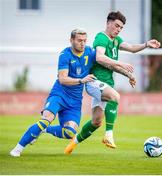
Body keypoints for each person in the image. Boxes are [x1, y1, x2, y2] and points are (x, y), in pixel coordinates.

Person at [10, 28, 135, 157]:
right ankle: (17, 149)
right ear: (71, 40)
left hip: (74, 101)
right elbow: (62, 79)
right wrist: (81, 80)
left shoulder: (89, 52)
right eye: (79, 40)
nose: (83, 43)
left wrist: (128, 75)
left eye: (85, 41)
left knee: (69, 133)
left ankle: (43, 130)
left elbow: (108, 64)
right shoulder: (65, 55)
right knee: (46, 119)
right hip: (59, 94)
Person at [64, 11, 161, 154]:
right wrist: (121, 64)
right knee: (115, 96)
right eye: (116, 26)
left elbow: (131, 49)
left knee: (96, 122)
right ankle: (109, 135)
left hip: (106, 84)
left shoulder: (116, 41)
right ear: (108, 23)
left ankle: (72, 144)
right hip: (94, 82)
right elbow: (100, 58)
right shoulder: (101, 38)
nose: (118, 29)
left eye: (121, 27)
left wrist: (146, 44)